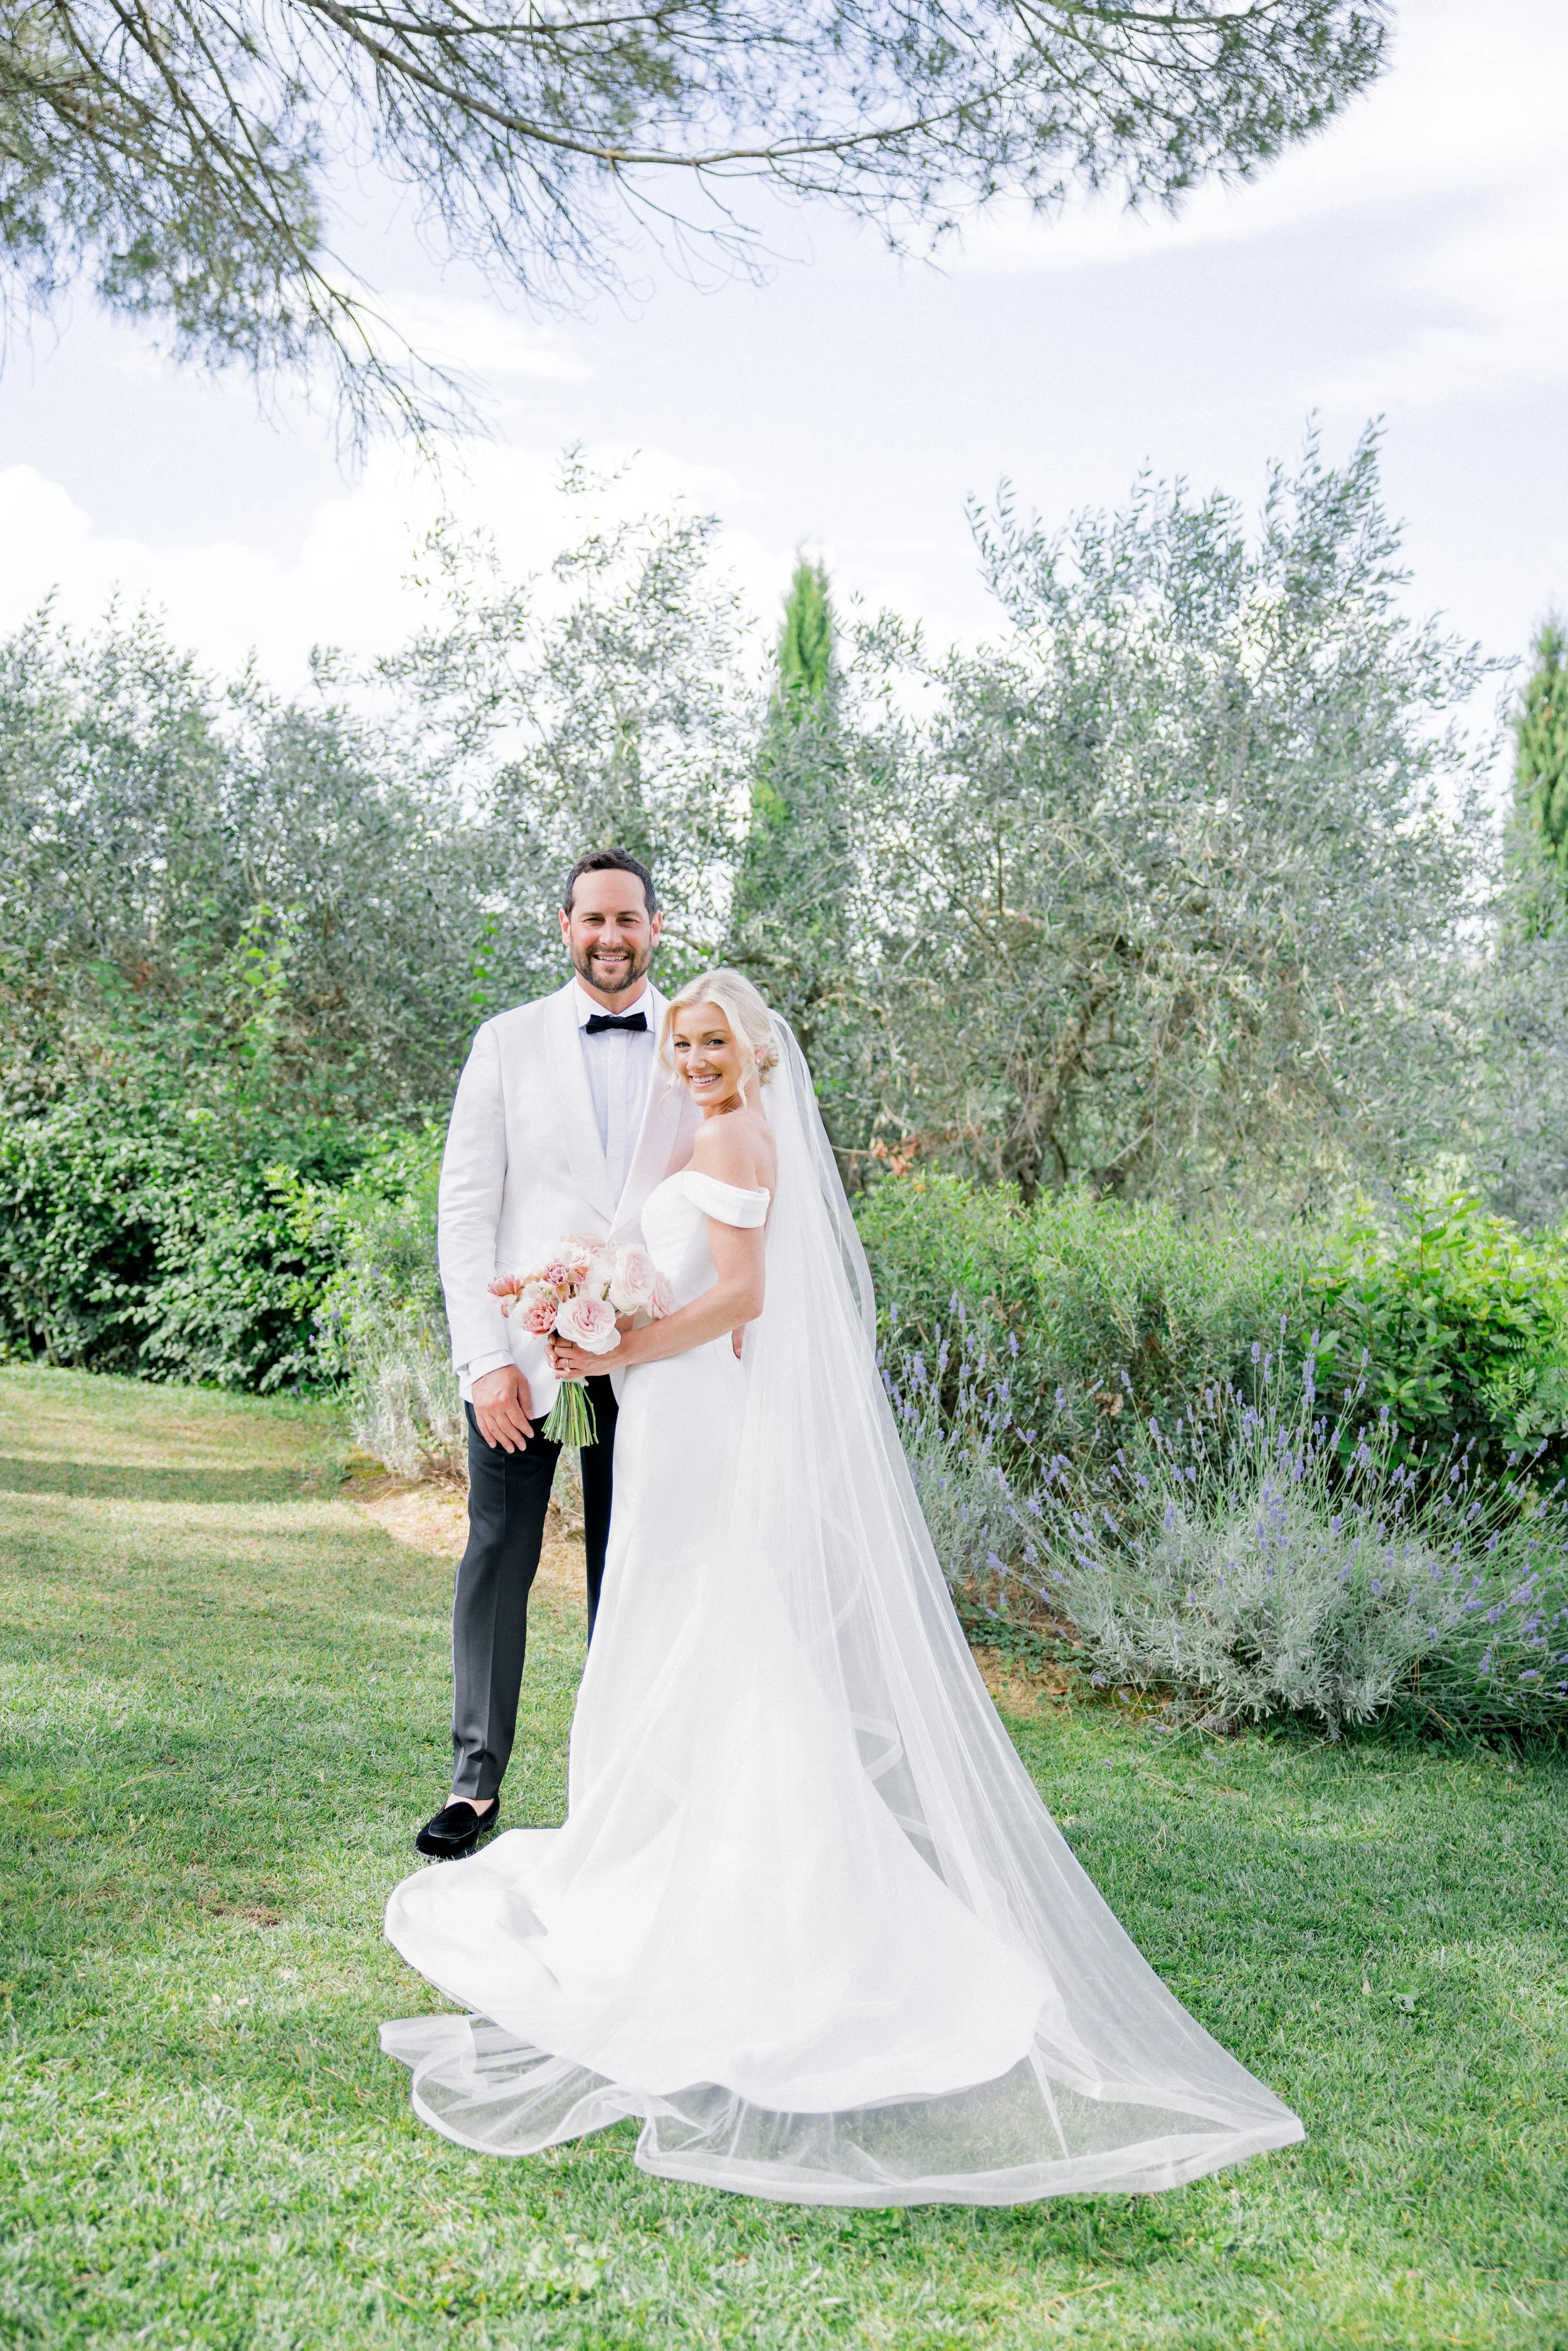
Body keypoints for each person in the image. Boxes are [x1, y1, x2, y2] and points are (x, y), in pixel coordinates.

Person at [383, 969, 1304, 2205]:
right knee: (680, 1627)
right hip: (669, 1411)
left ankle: (745, 1886)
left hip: (689, 1411)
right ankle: (671, 1846)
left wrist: (620, 1344)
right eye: (684, 1043)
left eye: (714, 1043)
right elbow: (687, 1274)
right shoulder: (709, 1129)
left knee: (700, 1626)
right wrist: (590, 1304)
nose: (696, 1059)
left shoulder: (737, 1135)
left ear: (754, 1052)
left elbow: (743, 1294)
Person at [411, 848, 698, 1864]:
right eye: (594, 920)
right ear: (566, 928)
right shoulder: (506, 1043)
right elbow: (465, 1213)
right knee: (498, 1556)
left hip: (654, 1360)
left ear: (655, 927)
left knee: (638, 1565)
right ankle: (473, 1783)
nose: (611, 937)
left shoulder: (697, 1042)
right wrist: (483, 1361)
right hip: (523, 1362)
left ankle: (625, 1782)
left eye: (629, 919)